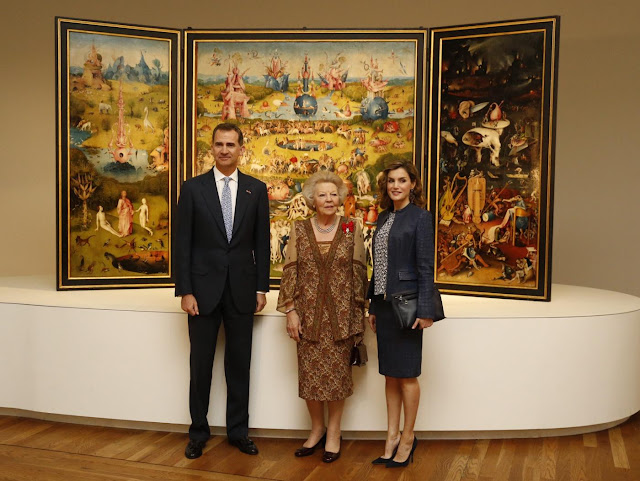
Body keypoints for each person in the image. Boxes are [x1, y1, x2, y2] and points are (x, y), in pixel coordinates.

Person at [175, 123, 270, 459]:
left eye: (231, 144)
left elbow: (262, 243)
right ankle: (198, 434)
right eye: (219, 144)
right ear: (212, 148)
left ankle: (238, 432)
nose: (225, 150)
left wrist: (261, 288)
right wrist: (185, 291)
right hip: (201, 293)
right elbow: (182, 243)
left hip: (242, 291)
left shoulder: (256, 189)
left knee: (239, 366)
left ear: (241, 148)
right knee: (200, 367)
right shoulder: (192, 189)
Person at [277, 171, 367, 463]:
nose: (329, 199)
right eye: (322, 195)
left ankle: (334, 433)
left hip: (342, 317)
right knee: (310, 378)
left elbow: (359, 273)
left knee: (338, 378)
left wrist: (360, 315)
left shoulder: (352, 227)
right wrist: (291, 311)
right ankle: (316, 430)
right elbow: (290, 271)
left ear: (340, 198)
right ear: (312, 200)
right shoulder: (300, 228)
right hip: (308, 318)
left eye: (333, 194)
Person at [367, 159, 436, 468]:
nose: (395, 185)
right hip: (383, 307)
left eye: (402, 180)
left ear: (413, 184)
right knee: (390, 375)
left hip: (408, 307)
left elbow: (426, 267)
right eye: (391, 180)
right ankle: (391, 437)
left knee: (407, 375)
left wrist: (426, 310)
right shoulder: (383, 217)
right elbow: (378, 266)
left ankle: (408, 438)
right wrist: (372, 305)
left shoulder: (421, 217)